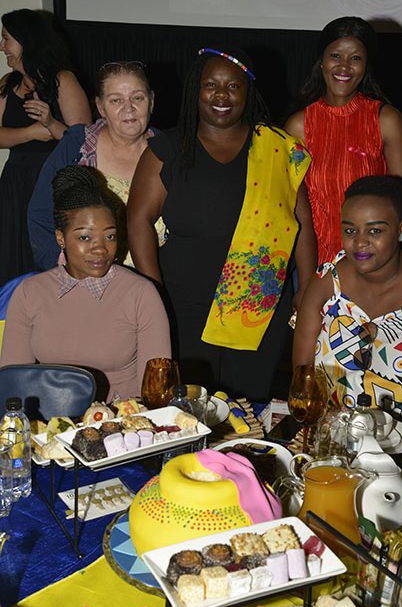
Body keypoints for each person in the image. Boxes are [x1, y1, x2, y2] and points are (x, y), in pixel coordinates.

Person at [127, 46, 315, 401]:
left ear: (248, 92)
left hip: (259, 308)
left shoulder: (277, 149)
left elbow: (301, 222)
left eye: (233, 86)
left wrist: (306, 287)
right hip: (183, 306)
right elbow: (138, 219)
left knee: (247, 407)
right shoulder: (167, 148)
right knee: (188, 406)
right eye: (210, 84)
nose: (221, 95)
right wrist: (153, 290)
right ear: (195, 90)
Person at [292, 175, 402, 423]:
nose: (360, 242)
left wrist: (394, 436)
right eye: (350, 230)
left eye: (375, 230)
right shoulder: (325, 282)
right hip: (330, 431)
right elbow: (303, 376)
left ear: (401, 229)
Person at [285, 16, 402, 269]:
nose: (344, 66)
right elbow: (298, 214)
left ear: (366, 66)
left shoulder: (385, 120)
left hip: (377, 269)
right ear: (321, 61)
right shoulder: (299, 126)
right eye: (335, 56)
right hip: (321, 269)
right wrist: (307, 282)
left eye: (355, 58)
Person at [0, 165, 171, 402]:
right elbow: (14, 387)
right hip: (51, 421)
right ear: (60, 237)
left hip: (126, 419)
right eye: (84, 237)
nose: (100, 249)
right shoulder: (29, 293)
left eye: (109, 236)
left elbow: (157, 393)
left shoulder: (141, 294)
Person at [28, 60, 165, 270]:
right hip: (88, 281)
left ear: (152, 101)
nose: (128, 108)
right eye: (116, 100)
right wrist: (63, 273)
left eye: (138, 98)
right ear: (100, 107)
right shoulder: (77, 146)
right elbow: (40, 215)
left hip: (157, 279)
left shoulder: (170, 151)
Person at [0, 8, 91, 285]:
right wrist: (30, 132)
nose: (2, 46)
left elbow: (86, 141)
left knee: (48, 259)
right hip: (15, 183)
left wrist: (51, 124)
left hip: (52, 182)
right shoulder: (7, 84)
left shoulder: (63, 80)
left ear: (26, 41)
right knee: (11, 255)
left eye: (6, 39)